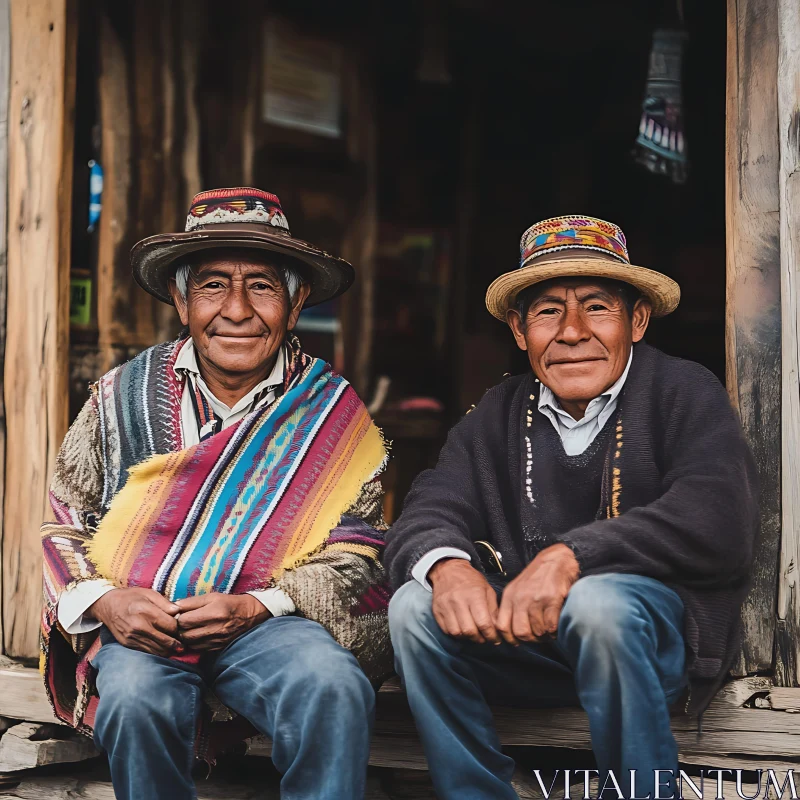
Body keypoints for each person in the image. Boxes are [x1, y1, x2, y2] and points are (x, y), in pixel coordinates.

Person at [384, 215, 758, 800]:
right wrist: (448, 566)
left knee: (597, 601)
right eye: (548, 311)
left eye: (597, 308)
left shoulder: (682, 390)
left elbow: (718, 518)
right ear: (518, 330)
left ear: (636, 321)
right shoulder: (498, 412)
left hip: (646, 652)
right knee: (414, 604)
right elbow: (430, 506)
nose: (573, 331)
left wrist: (570, 557)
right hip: (534, 650)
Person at [41, 188, 392, 800]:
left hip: (267, 626)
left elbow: (358, 552)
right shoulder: (120, 397)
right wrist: (108, 603)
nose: (236, 309)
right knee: (133, 696)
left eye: (261, 285)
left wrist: (260, 606)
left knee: (330, 684)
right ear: (181, 300)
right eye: (211, 286)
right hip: (145, 624)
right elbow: (65, 522)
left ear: (295, 299)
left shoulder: (333, 416)